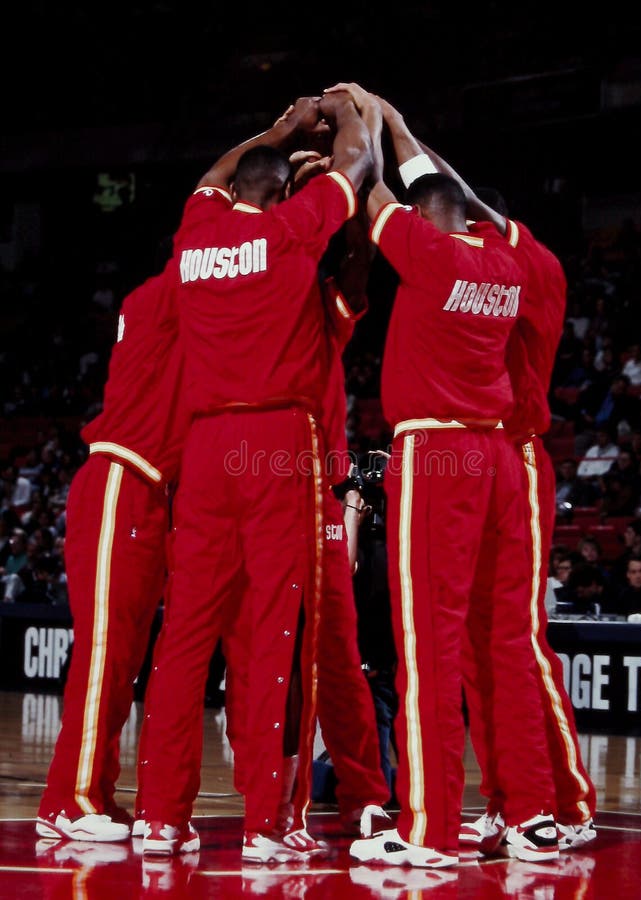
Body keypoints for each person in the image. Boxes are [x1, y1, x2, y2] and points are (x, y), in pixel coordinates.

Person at [354, 85, 598, 861]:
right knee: (505, 645)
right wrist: (405, 132)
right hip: (500, 451)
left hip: (465, 450)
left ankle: (439, 823)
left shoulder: (436, 251)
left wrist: (374, 124)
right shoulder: (512, 263)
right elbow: (443, 196)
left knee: (442, 644)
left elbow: (382, 196)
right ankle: (529, 809)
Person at [137, 93, 375, 861]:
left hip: (205, 447)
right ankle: (270, 822)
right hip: (276, 442)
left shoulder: (196, 235)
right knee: (280, 626)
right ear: (280, 196)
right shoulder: (290, 233)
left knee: (184, 636)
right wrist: (345, 113)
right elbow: (358, 167)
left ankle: (161, 817)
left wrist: (283, 125)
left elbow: (213, 171)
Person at [35, 258, 191, 843]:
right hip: (120, 477)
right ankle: (67, 800)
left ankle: (93, 789)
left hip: (151, 489)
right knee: (104, 652)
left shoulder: (172, 295)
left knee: (123, 658)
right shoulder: (168, 290)